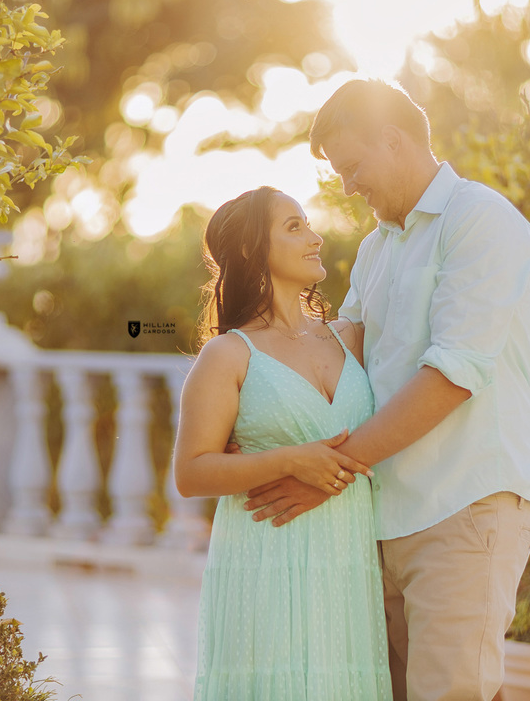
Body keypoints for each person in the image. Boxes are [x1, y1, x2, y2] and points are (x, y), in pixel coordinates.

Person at [241, 79, 530, 701]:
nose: (348, 187)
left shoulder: (481, 221)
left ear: (393, 140)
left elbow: (452, 376)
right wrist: (242, 386)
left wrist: (328, 473)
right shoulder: (376, 249)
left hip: (464, 506)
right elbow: (340, 352)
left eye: (352, 167)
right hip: (381, 519)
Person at [173, 185, 394, 700]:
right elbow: (191, 473)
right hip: (265, 562)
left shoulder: (349, 337)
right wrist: (290, 460)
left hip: (349, 563)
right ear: (251, 248)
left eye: (308, 224)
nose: (315, 238)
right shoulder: (228, 354)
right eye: (294, 227)